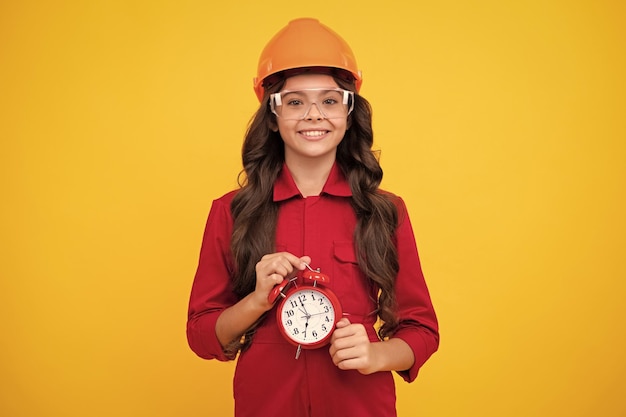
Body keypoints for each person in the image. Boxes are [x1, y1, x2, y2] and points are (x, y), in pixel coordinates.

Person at [187, 17, 439, 417]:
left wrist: (376, 356)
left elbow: (422, 331)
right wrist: (255, 301)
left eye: (329, 100)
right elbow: (202, 336)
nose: (313, 114)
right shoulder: (231, 212)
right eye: (295, 101)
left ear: (349, 111)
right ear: (272, 115)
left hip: (361, 406)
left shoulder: (385, 211)